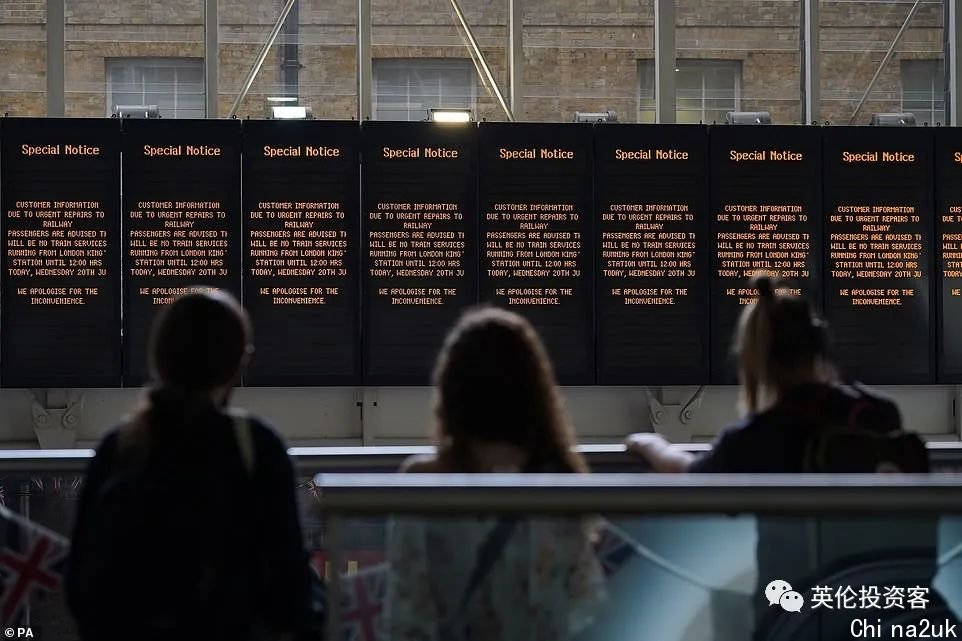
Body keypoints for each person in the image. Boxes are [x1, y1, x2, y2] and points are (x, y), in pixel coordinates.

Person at [66, 290, 313, 641]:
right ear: (236, 363)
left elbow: (80, 585)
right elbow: (288, 586)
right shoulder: (257, 447)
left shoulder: (119, 447)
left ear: (158, 357)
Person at [387, 307, 605, 641]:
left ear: (452, 391)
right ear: (535, 392)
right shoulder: (560, 484)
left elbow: (407, 615)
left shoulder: (423, 484)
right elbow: (584, 606)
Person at [625, 272, 907, 473]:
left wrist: (650, 445)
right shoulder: (876, 412)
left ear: (755, 358)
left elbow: (690, 474)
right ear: (818, 344)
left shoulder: (751, 439)